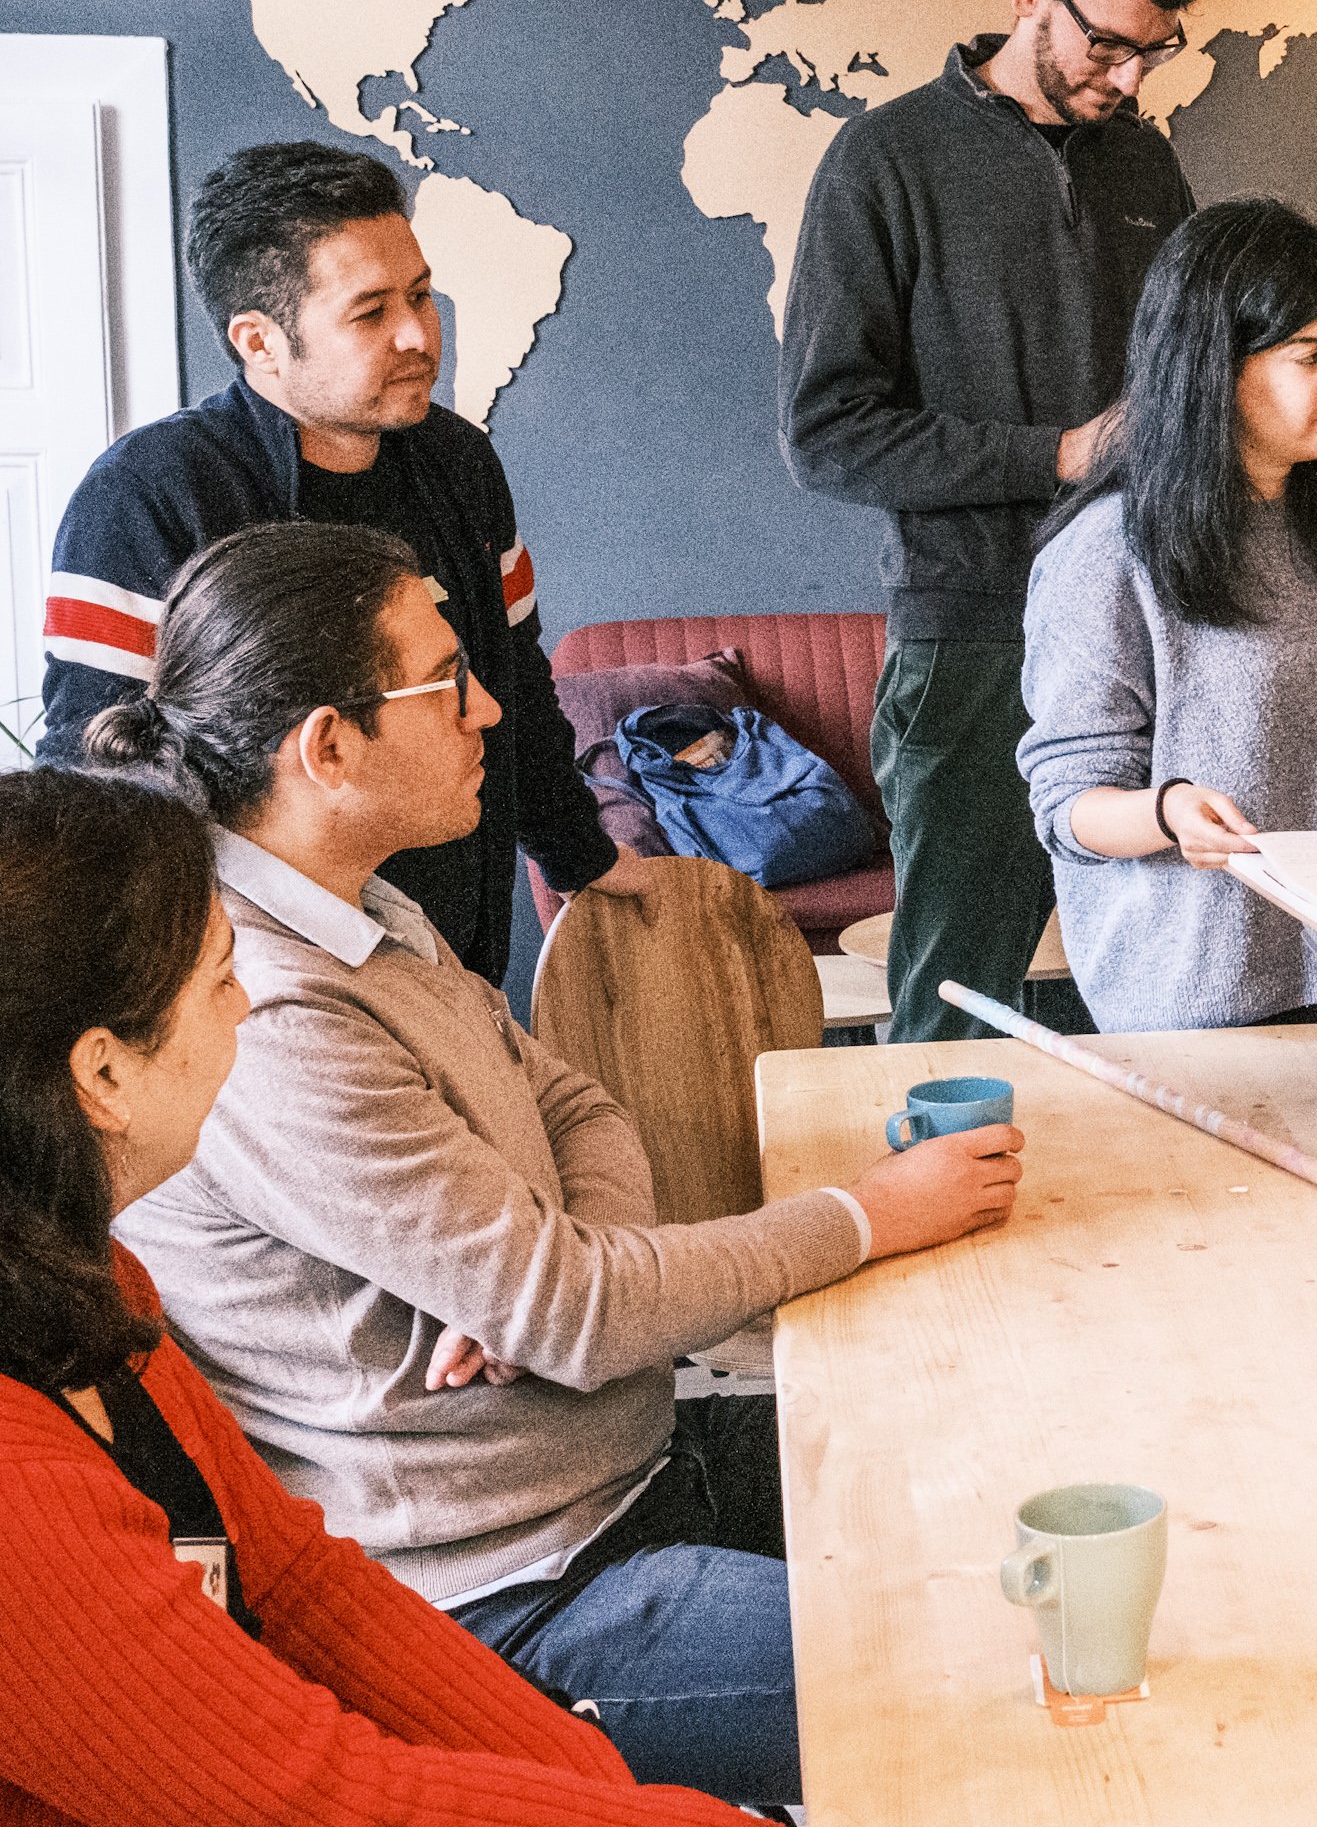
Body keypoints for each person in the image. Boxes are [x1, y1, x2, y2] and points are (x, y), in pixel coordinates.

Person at [91, 522, 1025, 1809]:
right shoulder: (273, 1010)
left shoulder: (367, 908)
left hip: (624, 1468)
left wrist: (553, 1277)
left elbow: (580, 1109)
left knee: (1014, 1488)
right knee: (1008, 1663)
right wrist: (865, 1216)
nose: (487, 708)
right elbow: (578, 1313)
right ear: (327, 747)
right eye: (445, 681)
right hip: (515, 1591)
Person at [0, 766, 751, 1824]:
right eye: (221, 980)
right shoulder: (19, 1496)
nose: (248, 1002)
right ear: (103, 1076)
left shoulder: (84, 1281)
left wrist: (594, 1783)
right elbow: (322, 1798)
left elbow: (299, 1583)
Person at [38, 139, 644, 983]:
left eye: (421, 295)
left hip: (455, 956)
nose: (418, 334)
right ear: (260, 341)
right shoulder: (146, 494)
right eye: (370, 313)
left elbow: (514, 684)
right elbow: (97, 776)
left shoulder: (462, 463)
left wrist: (583, 859)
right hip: (257, 984)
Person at [782, 0, 1201, 1042]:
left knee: (1164, 991)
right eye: (1108, 44)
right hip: (973, 642)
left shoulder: (1148, 166)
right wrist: (1057, 453)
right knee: (957, 1009)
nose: (1129, 79)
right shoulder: (884, 160)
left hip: (1147, 628)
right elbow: (827, 434)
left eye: (1155, 52)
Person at [1018, 200, 1317, 1031]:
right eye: (1310, 356)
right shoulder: (1105, 553)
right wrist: (1167, 812)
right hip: (1191, 1007)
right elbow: (1069, 805)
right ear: (1214, 368)